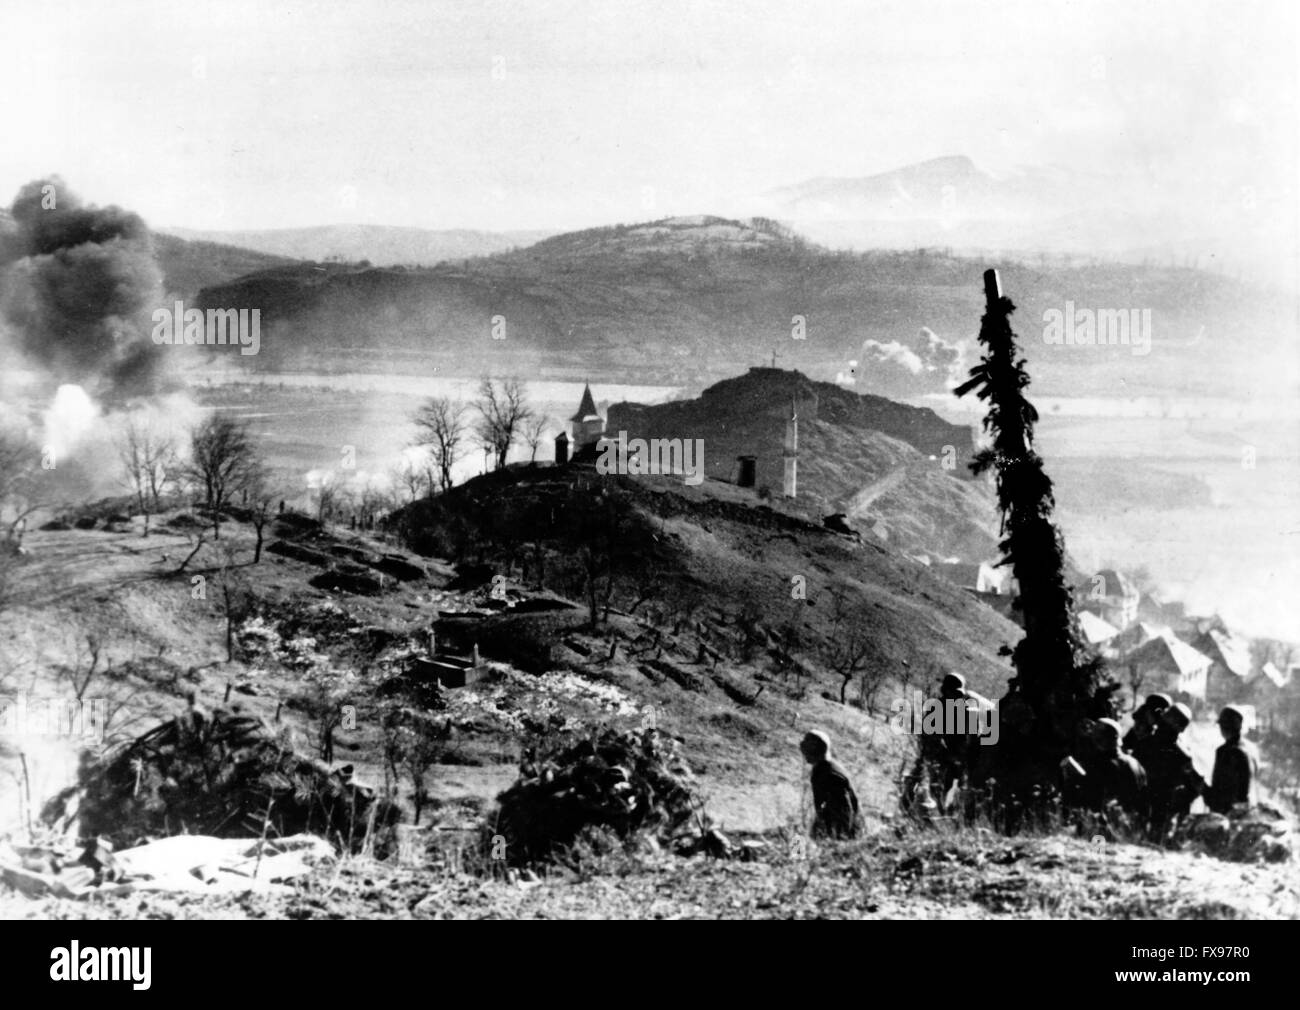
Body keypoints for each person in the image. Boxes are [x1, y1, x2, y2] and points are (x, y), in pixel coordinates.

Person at [1132, 702, 1204, 840]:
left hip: (1155, 809)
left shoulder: (1145, 744)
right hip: (1159, 810)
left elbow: (1195, 785)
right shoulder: (1182, 755)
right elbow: (1196, 786)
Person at [800, 730, 860, 839]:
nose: (804, 753)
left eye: (807, 748)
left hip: (842, 835)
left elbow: (845, 813)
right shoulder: (824, 767)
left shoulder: (830, 774)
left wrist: (838, 840)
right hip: (833, 829)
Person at [1087, 718, 1148, 820]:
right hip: (1134, 822)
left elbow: (1096, 801)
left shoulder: (1105, 765)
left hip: (1112, 824)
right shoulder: (1134, 762)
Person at [1206, 705, 1258, 814]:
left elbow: (1219, 793)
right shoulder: (1251, 749)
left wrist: (1201, 787)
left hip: (1229, 815)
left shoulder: (1226, 752)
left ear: (1224, 727)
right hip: (1248, 812)